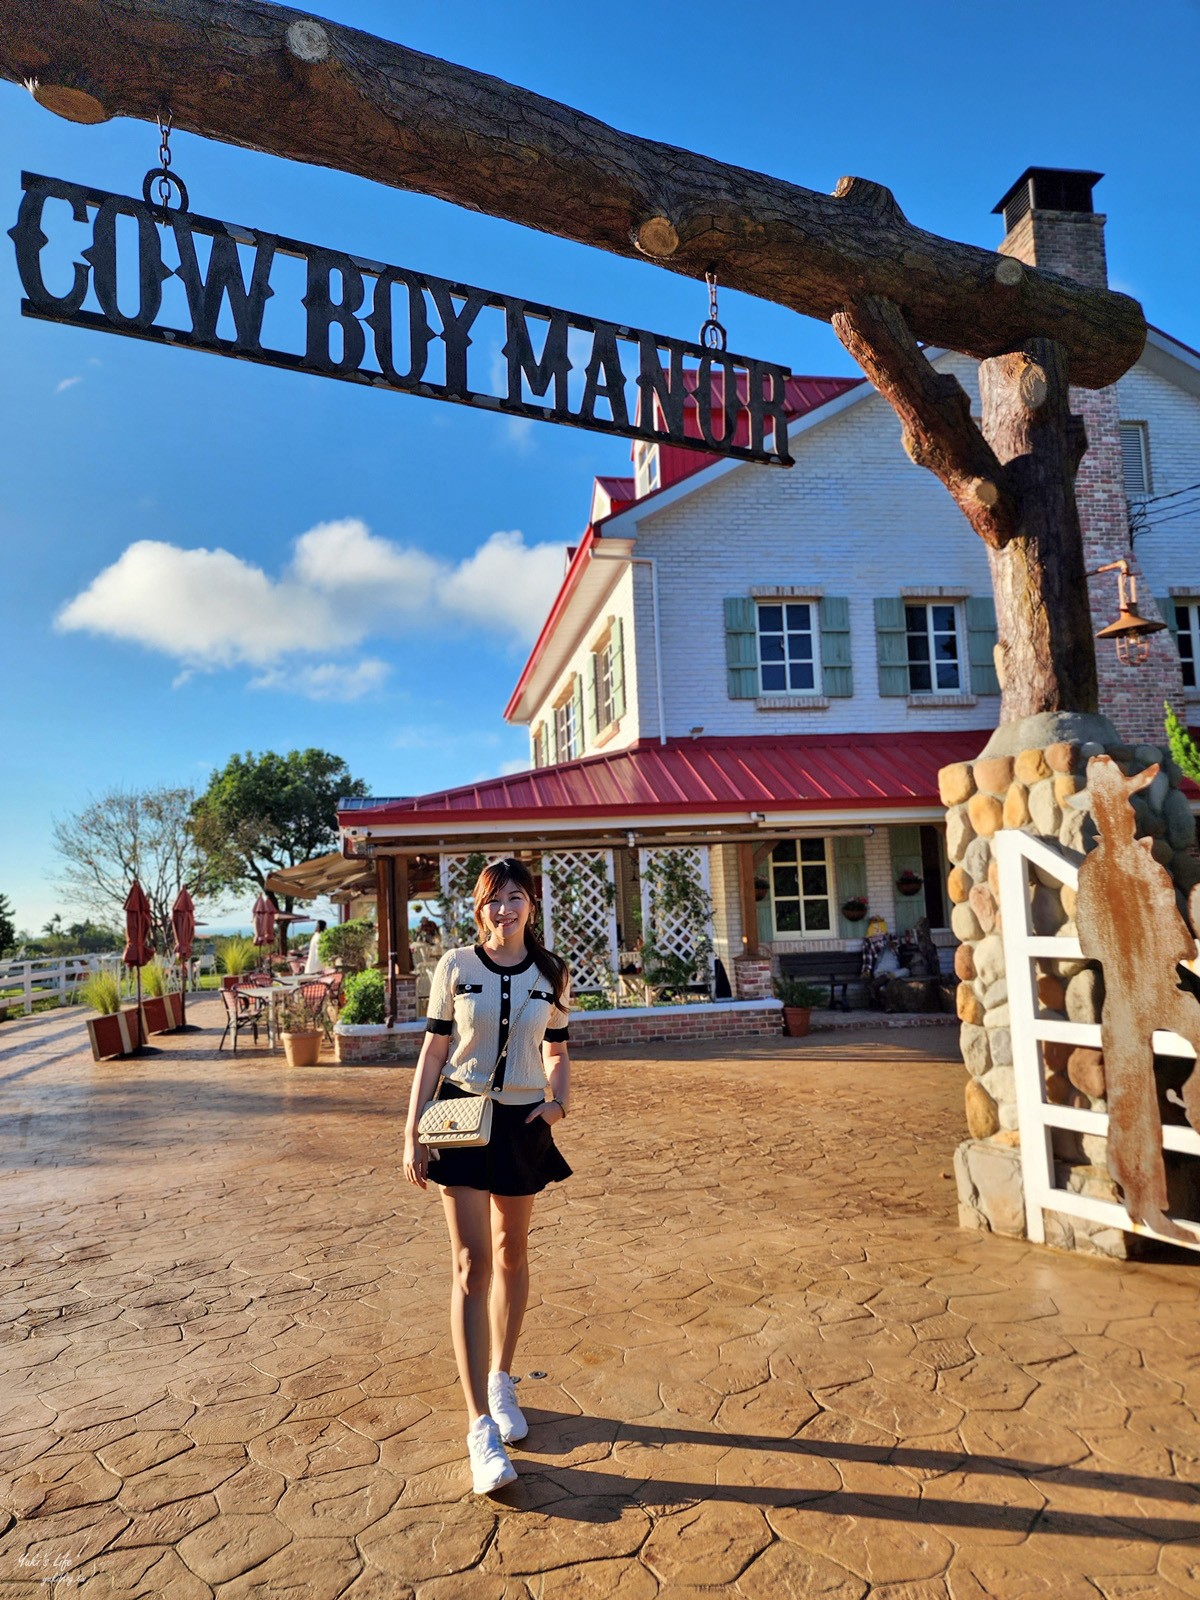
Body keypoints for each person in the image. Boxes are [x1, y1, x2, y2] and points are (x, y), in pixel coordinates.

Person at [403, 859, 571, 1496]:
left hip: (523, 1124)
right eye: (493, 900)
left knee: (511, 1254)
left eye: (516, 898)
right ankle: (481, 1429)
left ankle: (503, 1377)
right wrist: (412, 1130)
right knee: (471, 1265)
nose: (504, 909)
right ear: (481, 909)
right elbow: (434, 1051)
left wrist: (557, 1102)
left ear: (532, 906)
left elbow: (557, 1048)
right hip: (461, 1120)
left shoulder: (552, 973)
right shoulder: (455, 968)